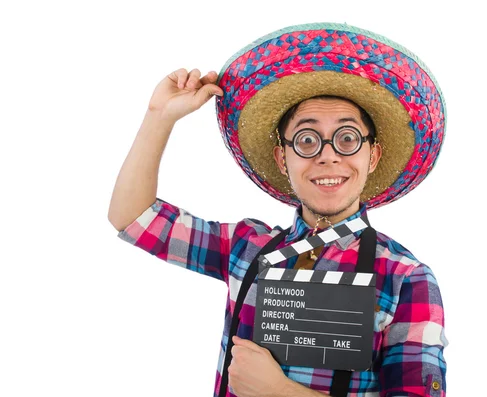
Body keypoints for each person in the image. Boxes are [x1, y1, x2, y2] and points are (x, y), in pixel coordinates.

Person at [108, 23, 448, 397]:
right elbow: (133, 217)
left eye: (348, 138)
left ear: (373, 155)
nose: (328, 155)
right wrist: (159, 116)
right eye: (306, 140)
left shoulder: (405, 278)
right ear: (282, 158)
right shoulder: (247, 247)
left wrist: (278, 391)